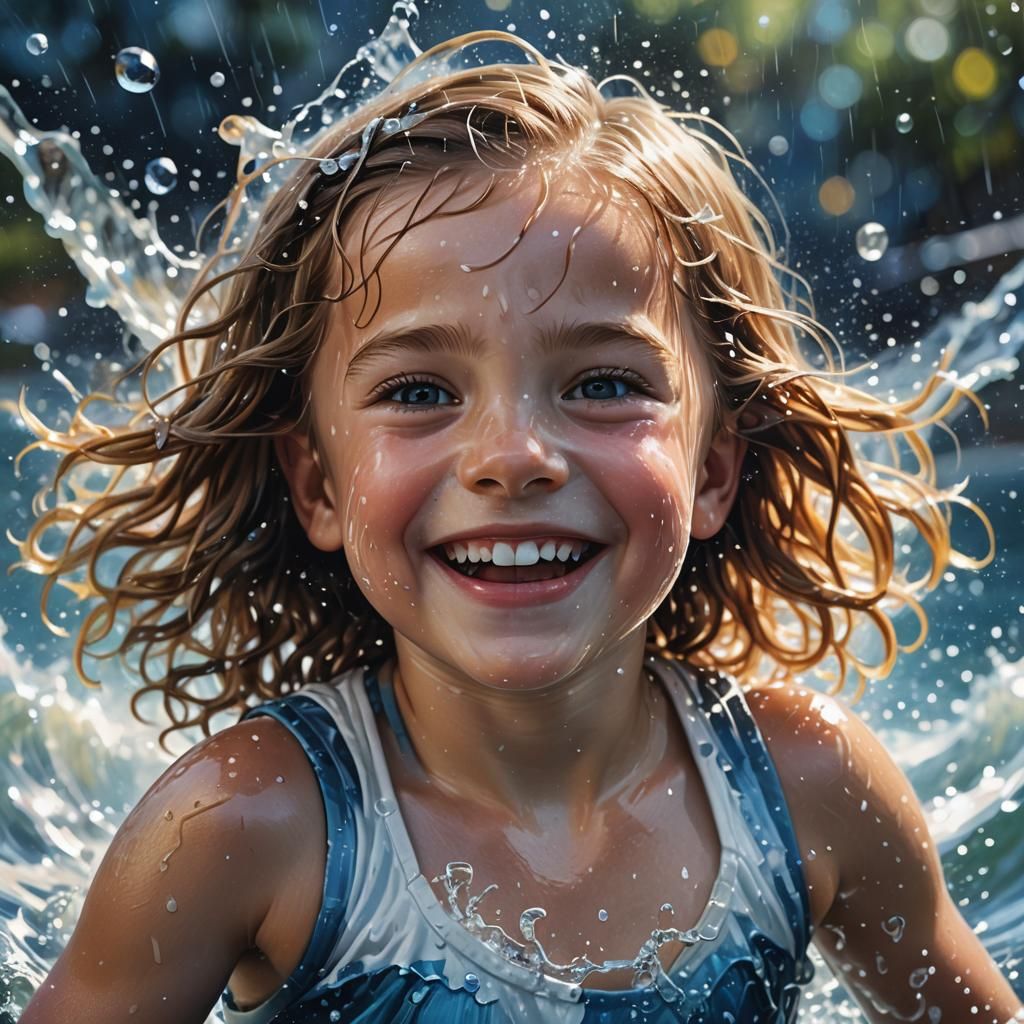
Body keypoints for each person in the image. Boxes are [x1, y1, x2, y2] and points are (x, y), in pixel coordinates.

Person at [15, 31, 1023, 1024]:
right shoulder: (244, 826)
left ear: (714, 468)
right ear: (316, 483)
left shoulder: (807, 790)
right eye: (418, 390)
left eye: (602, 383)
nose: (513, 454)